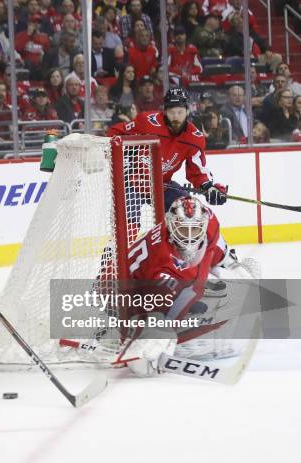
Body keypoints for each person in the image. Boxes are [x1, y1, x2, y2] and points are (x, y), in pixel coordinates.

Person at [121, 196, 240, 377]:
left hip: (166, 286)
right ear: (171, 226)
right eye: (184, 230)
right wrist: (148, 339)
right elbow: (152, 302)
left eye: (195, 230)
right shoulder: (160, 259)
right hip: (131, 292)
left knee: (218, 296)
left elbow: (215, 243)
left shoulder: (211, 222)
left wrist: (229, 262)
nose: (190, 237)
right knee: (153, 336)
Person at [107, 87, 228, 208]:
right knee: (129, 221)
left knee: (187, 210)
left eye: (180, 112)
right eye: (172, 112)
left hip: (163, 186)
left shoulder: (195, 138)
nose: (176, 117)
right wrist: (120, 158)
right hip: (133, 184)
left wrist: (209, 188)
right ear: (164, 111)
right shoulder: (148, 122)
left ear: (187, 111)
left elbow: (197, 172)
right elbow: (115, 131)